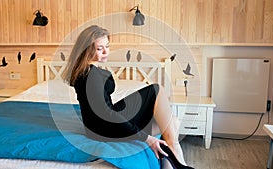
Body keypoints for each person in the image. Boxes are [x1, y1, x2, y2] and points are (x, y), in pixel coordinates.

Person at [63, 25, 193, 169]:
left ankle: (170, 164)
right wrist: (146, 138)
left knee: (172, 121)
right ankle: (176, 154)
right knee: (156, 90)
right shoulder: (91, 75)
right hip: (105, 129)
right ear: (87, 49)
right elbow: (105, 114)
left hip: (99, 127)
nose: (106, 52)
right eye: (100, 48)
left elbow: (102, 109)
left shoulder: (86, 71)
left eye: (107, 46)